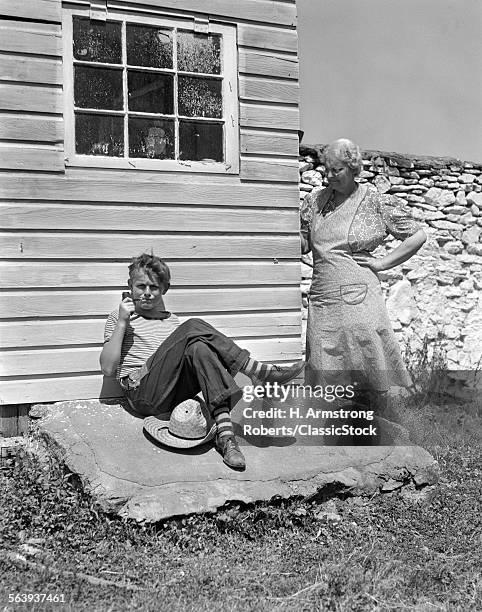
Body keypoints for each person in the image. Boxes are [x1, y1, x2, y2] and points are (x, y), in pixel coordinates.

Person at [100, 252, 304, 470]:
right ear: (130, 285)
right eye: (141, 286)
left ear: (164, 290)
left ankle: (226, 438)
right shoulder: (119, 316)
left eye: (154, 288)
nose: (147, 293)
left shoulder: (173, 322)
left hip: (169, 396)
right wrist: (122, 321)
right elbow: (108, 368)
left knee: (199, 347)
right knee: (194, 326)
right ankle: (257, 370)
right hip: (141, 393)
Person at [300, 138, 426, 427]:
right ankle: (331, 430)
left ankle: (375, 428)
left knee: (364, 363)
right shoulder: (316, 201)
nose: (329, 176)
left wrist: (382, 263)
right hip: (324, 296)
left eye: (336, 170)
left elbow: (417, 236)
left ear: (353, 167)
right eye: (326, 170)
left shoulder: (373, 199)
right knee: (323, 361)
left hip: (360, 297)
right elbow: (306, 242)